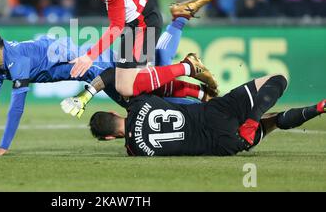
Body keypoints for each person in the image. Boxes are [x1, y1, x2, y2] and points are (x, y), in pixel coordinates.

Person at [21, 0, 213, 119]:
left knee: (131, 88)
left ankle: (188, 67)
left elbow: (116, 26)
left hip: (142, 23)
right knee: (135, 85)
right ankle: (180, 23)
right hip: (134, 17)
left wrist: (89, 57)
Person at [0, 22, 217, 156]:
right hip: (94, 63)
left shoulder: (16, 62)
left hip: (97, 68)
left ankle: (194, 80)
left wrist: (4, 146)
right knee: (152, 71)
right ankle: (176, 23)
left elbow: (16, 108)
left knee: (145, 106)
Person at [89, 75, 326, 156]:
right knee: (277, 79)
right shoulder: (139, 103)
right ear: (112, 111)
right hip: (215, 113)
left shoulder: (135, 151)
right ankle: (253, 119)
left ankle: (315, 110)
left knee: (273, 121)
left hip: (223, 143)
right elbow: (168, 88)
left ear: (109, 138)